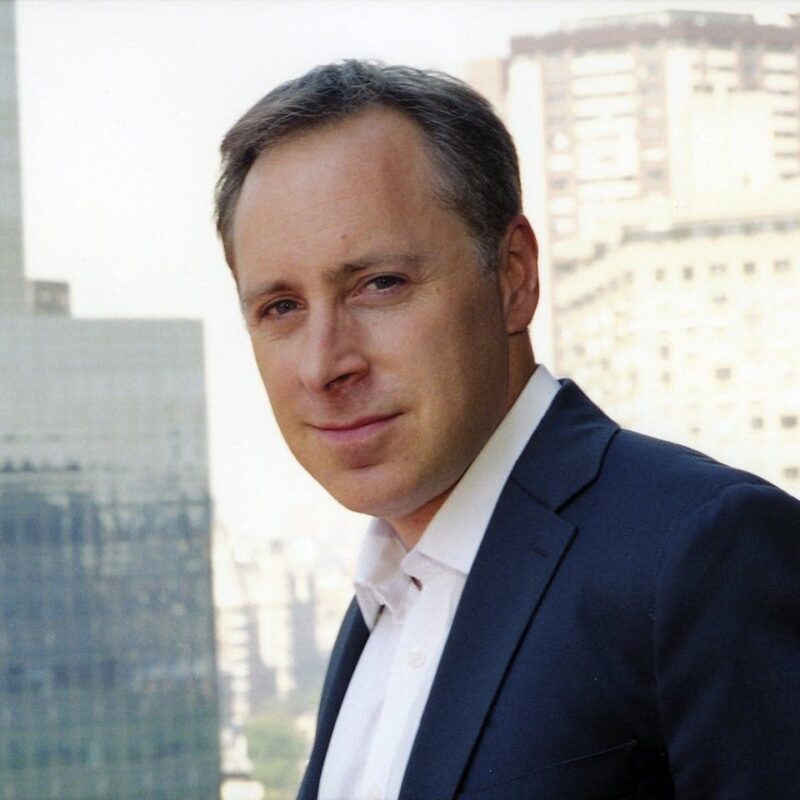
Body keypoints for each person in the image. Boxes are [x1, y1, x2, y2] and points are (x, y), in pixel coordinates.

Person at [214, 60, 800, 800]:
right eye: (280, 308)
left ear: (514, 275)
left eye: (380, 284)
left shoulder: (701, 551)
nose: (324, 364)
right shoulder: (383, 600)